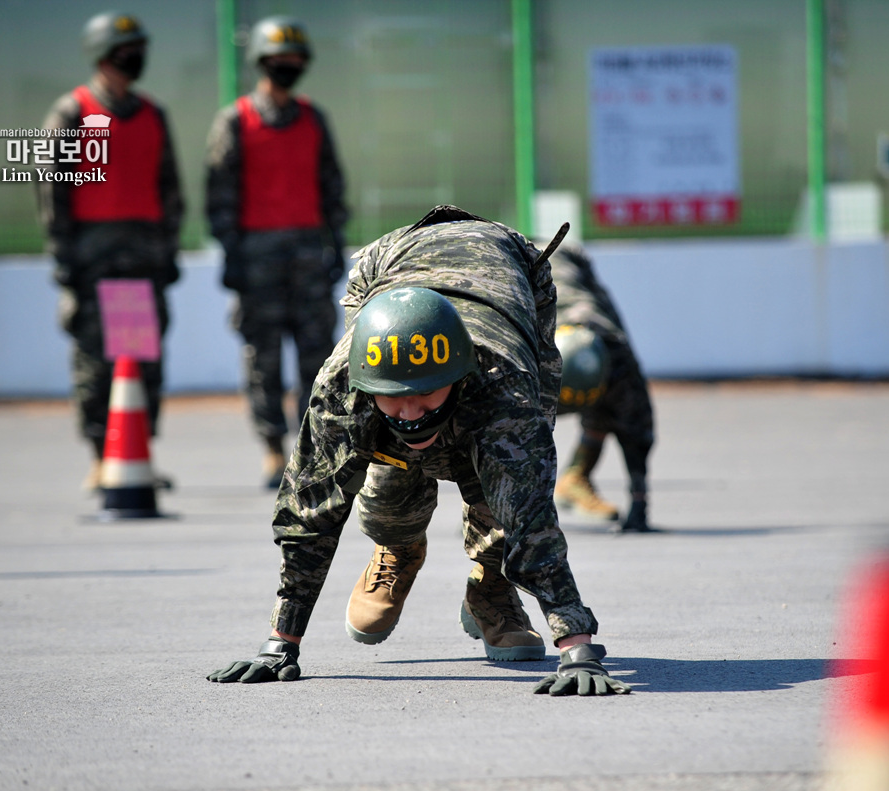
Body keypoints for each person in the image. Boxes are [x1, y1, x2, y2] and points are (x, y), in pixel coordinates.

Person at [207, 206, 631, 696]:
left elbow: (532, 516)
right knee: (391, 466)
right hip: (386, 265)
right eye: (393, 395)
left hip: (513, 273)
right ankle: (398, 545)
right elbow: (311, 511)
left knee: (503, 486)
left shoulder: (502, 387)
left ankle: (490, 584)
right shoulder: (343, 386)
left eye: (425, 394)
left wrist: (575, 646)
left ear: (457, 377)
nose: (409, 411)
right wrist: (280, 642)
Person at [39, 11, 183, 492]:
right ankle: (102, 455)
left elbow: (169, 189)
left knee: (142, 361)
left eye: (138, 49)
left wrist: (168, 250)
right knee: (96, 363)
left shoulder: (152, 114)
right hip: (92, 261)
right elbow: (52, 190)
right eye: (125, 51)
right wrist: (63, 256)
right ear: (102, 56)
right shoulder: (73, 112)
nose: (134, 58)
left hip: (143, 260)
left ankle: (136, 451)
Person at [204, 16, 350, 488]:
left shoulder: (314, 119)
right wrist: (231, 255)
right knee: (262, 360)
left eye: (294, 61)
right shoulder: (236, 121)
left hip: (308, 259)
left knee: (319, 360)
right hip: (258, 261)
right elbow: (219, 195)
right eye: (278, 61)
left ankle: (313, 450)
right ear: (262, 64)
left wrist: (336, 246)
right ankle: (271, 448)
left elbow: (332, 188)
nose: (287, 67)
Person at [549, 243, 656, 533]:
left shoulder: (614, 352)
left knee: (623, 401)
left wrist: (639, 505)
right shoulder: (531, 350)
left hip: (569, 261)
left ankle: (576, 476)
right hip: (523, 256)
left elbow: (638, 428)